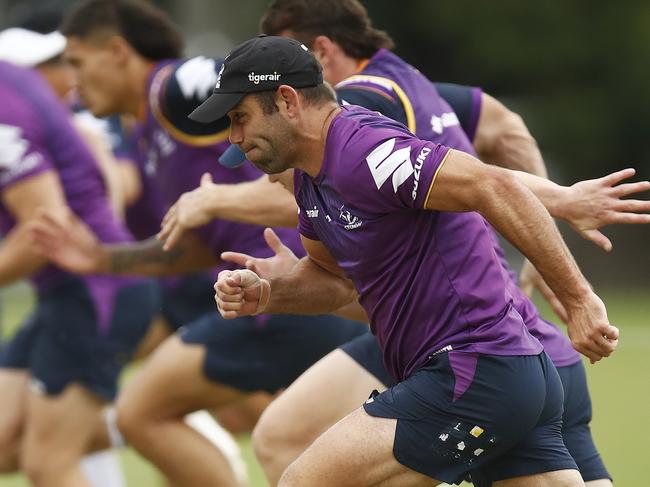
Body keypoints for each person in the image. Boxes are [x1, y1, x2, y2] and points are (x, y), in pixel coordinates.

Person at [201, 35, 620, 486]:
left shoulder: (365, 152)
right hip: (503, 375)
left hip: (472, 371)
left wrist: (578, 299)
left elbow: (495, 187)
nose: (235, 137)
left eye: (240, 117)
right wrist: (269, 293)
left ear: (286, 101)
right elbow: (337, 281)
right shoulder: (310, 181)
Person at [30, 1, 368, 486]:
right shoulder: (144, 126)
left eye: (78, 62)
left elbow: (250, 83)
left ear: (118, 51)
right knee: (272, 431)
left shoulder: (173, 86)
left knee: (141, 412)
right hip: (272, 294)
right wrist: (101, 258)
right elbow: (197, 249)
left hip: (284, 287)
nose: (73, 80)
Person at [0, 35, 158, 487]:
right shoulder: (14, 86)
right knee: (6, 445)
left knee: (48, 463)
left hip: (97, 292)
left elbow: (42, 231)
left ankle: (142, 420)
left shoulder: (4, 105)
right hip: (68, 291)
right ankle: (131, 422)